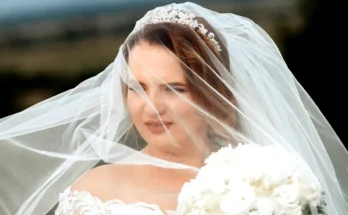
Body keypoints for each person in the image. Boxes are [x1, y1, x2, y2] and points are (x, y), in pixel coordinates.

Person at [0, 2, 347, 215]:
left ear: (213, 92)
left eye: (173, 89)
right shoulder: (94, 189)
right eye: (137, 88)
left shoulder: (269, 180)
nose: (152, 107)